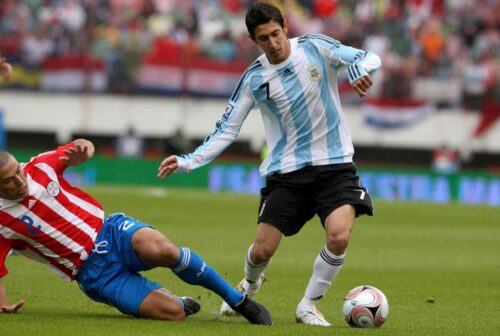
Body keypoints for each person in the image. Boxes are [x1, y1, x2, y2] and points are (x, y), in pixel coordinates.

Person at [157, 2, 380, 327]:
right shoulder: (255, 78)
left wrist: (361, 70)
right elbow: (226, 130)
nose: (273, 43)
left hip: (336, 167)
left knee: (339, 236)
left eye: (276, 33)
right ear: (254, 40)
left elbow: (368, 57)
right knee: (261, 252)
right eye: (264, 38)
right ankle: (249, 284)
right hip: (288, 174)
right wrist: (188, 161)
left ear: (286, 27)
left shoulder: (316, 47)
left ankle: (308, 305)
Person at [0, 139, 272, 325]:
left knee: (164, 250)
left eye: (18, 172)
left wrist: (86, 149)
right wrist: (3, 304)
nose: (19, 180)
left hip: (111, 232)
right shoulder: (2, 220)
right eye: (9, 181)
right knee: (173, 314)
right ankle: (177, 300)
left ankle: (237, 299)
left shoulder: (40, 166)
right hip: (93, 274)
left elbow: (80, 146)